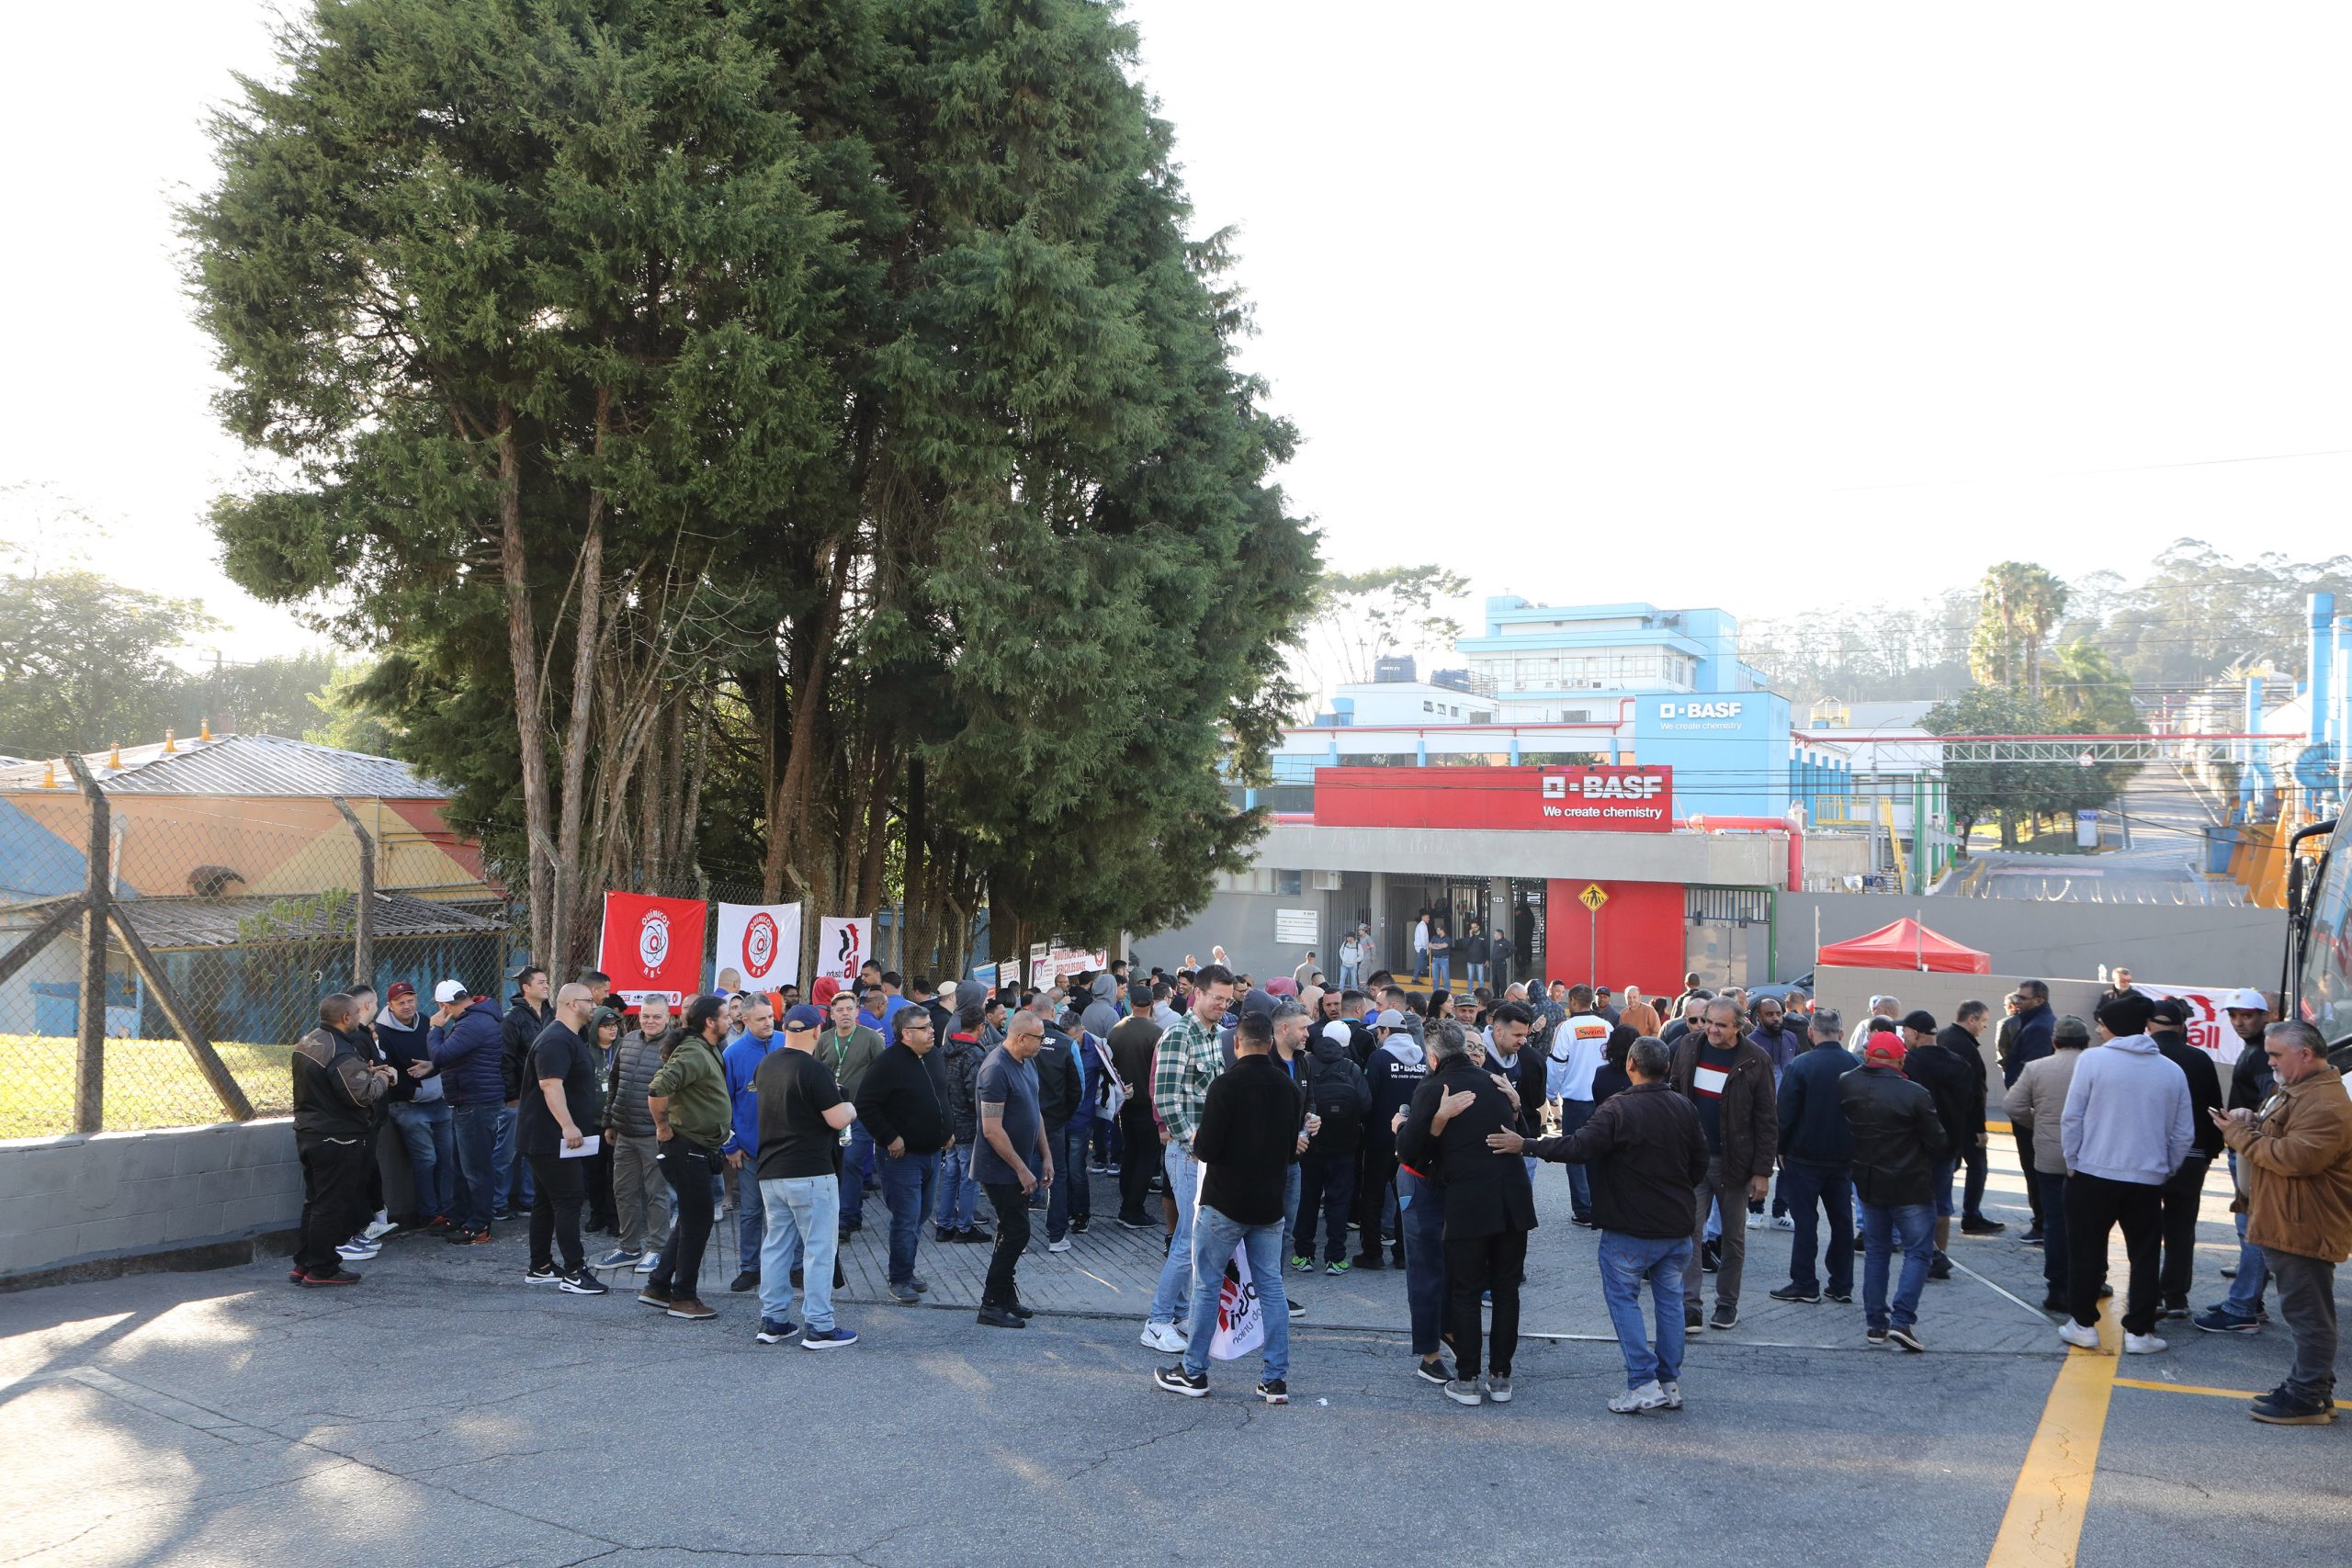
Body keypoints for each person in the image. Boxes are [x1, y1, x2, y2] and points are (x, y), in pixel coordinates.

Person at [1495, 1034, 1705, 1413]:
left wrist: (1526, 1144)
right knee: (1671, 1303)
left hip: (1630, 1228)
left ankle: (1643, 1381)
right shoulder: (1683, 1107)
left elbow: (1577, 1147)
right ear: (1667, 1068)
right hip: (1676, 1226)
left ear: (1630, 1066)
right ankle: (1669, 1382)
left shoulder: (1617, 1109)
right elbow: (1699, 1164)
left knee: (1625, 1301)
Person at [1153, 1010, 1301, 1403]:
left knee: (1207, 1285)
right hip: (1269, 1204)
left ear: (1236, 1045)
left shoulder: (1225, 1085)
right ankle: (1274, 1378)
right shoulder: (1288, 1088)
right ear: (1270, 1043)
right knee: (1272, 1287)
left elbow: (1206, 1149)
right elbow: (1290, 1151)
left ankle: (1194, 1371)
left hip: (1224, 1203)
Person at [2214, 1020, 2352, 1424]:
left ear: (2305, 1055)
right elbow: (2281, 1136)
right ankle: (2309, 1389)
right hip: (2289, 1216)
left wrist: (2239, 1134)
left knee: (2309, 1315)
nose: (2269, 1061)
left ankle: (2307, 1397)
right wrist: (2249, 1119)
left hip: (2302, 1222)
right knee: (2305, 1311)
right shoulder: (2299, 1090)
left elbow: (2294, 1158)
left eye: (2276, 1054)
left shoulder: (2325, 1102)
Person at [1396, 1021, 1536, 1406]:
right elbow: (1520, 1134)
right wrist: (1517, 1106)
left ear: (1433, 1056)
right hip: (1512, 1200)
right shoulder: (1495, 1081)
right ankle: (1501, 1377)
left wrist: (1420, 1124)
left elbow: (1409, 1153)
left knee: (1466, 1291)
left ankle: (1468, 1378)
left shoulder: (1433, 1086)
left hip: (1469, 1203)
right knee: (1507, 1291)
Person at [2057, 991, 2191, 1355]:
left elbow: (2073, 1118)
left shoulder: (2092, 1062)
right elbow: (2183, 1134)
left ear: (2113, 1027)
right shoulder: (2171, 1070)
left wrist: (2074, 1161)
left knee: (2086, 1252)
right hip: (2146, 1179)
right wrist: (2165, 1168)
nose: (2098, 1030)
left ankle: (2083, 1324)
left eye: (2101, 1024)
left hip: (2092, 1174)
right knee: (2145, 1256)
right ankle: (2139, 1332)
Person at [1141, 964, 1238, 1353]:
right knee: (1187, 1240)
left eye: (1228, 1000)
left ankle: (1179, 1311)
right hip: (1187, 1154)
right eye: (1217, 997)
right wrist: (1193, 1142)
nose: (1222, 1005)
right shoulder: (1178, 1034)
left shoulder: (1214, 1034)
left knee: (1191, 1238)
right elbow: (1164, 1098)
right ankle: (1157, 1320)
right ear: (1196, 993)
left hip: (1204, 1153)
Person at [751, 1004, 859, 1349]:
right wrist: (851, 1107)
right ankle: (820, 1325)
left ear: (785, 1030)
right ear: (818, 1031)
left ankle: (774, 1319)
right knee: (818, 1249)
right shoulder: (815, 1070)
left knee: (776, 1246)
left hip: (771, 1170)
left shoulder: (766, 1065)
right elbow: (837, 1118)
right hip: (811, 1171)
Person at [1671, 997, 1777, 1334]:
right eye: (1708, 1021)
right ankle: (1691, 1307)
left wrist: (1762, 1171)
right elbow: (1673, 1094)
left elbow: (1767, 1120)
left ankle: (1727, 1304)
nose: (1711, 1029)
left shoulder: (1755, 1059)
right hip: (1693, 1160)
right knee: (1689, 1233)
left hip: (1735, 1164)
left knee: (1733, 1238)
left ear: (1739, 1025)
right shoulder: (1689, 1045)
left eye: (1720, 1024)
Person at [1839, 1030, 1947, 1350]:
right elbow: (1937, 1141)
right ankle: (1901, 1321)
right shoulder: (1914, 1093)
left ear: (1867, 1055)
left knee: (1877, 1252)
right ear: (1901, 1058)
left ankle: (1876, 1323)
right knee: (1918, 1251)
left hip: (1870, 1181)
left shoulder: (1848, 1081)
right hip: (1910, 1183)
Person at [289, 994, 396, 1286]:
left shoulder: (310, 1041)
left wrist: (367, 1072)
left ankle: (304, 1262)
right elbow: (361, 1095)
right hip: (337, 1138)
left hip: (309, 1133)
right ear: (346, 1018)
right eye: (356, 1013)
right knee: (331, 1205)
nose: (361, 1018)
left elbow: (333, 1081)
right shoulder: (341, 1051)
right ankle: (323, 1269)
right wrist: (384, 1078)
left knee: (316, 1202)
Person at [641, 995, 734, 1321]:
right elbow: (657, 1089)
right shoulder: (694, 1051)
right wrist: (662, 1126)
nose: (730, 1021)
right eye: (725, 1016)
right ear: (710, 1022)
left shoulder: (707, 1048)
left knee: (691, 1219)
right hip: (685, 1149)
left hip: (698, 1149)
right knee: (698, 1221)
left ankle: (657, 1286)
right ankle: (683, 1298)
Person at [2199, 989, 2283, 1334]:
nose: (2239, 1022)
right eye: (2233, 1016)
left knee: (2252, 1232)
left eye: (2247, 1015)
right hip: (2247, 1147)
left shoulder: (2262, 1052)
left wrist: (2247, 1118)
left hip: (2250, 1150)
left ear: (2266, 1016)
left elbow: (2272, 1101)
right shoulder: (2258, 1048)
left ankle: (2242, 1307)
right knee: (2249, 1230)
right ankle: (2250, 1302)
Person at [514, 983, 608, 1294]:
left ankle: (540, 1266)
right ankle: (574, 1271)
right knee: (568, 1200)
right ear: (570, 1004)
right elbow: (550, 1085)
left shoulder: (569, 1037)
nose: (594, 1005)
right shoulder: (555, 1039)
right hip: (550, 1137)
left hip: (550, 1138)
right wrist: (568, 1126)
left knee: (546, 1200)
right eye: (588, 1000)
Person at [856, 1004, 953, 1305]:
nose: (932, 1030)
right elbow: (866, 1105)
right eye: (925, 1027)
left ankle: (907, 1272)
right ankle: (899, 1278)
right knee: (906, 1216)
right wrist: (889, 1137)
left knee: (921, 1214)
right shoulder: (888, 1063)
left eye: (930, 1026)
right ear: (906, 1034)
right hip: (902, 1157)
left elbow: (943, 1096)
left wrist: (948, 1130)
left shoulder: (935, 1056)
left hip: (933, 1152)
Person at [1770, 1007, 1858, 1306]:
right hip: (1843, 1158)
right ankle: (1842, 1283)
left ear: (1810, 1032)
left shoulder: (1801, 1065)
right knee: (1842, 1221)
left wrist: (1779, 1149)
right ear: (1841, 1034)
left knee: (1805, 1222)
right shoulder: (1855, 1065)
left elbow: (1785, 1114)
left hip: (1804, 1158)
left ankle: (1805, 1282)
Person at [2006, 1014, 2091, 1311]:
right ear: (2086, 1042)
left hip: (2050, 1157)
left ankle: (2057, 1289)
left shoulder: (2037, 1068)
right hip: (2089, 1158)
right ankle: (2090, 1282)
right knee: (2089, 1224)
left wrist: (2038, 1122)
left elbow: (2012, 1105)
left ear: (2054, 1042)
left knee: (2055, 1224)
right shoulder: (2095, 1066)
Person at [973, 1012, 1053, 1329]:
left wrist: (1045, 1155)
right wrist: (1021, 1168)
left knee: (1011, 1230)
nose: (1043, 1043)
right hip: (1000, 1167)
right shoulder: (995, 1069)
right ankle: (991, 1303)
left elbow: (1035, 1113)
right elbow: (992, 1130)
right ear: (1021, 1038)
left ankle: (1005, 1296)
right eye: (1039, 1038)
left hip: (1021, 1164)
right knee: (1016, 1231)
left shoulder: (1028, 1062)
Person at [2147, 997, 2223, 1318]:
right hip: (2191, 1157)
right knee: (2181, 1228)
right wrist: (2209, 1152)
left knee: (2145, 1228)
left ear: (2148, 1026)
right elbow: (2214, 1109)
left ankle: (2146, 1296)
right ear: (2182, 1027)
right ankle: (2176, 1297)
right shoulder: (2199, 1059)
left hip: (2146, 1159)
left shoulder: (2142, 1058)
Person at [426, 978, 508, 1245]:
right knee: (462, 1166)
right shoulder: (474, 1019)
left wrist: (435, 1029)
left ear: (444, 1006)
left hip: (476, 1103)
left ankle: (479, 1224)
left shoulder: (472, 1023)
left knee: (475, 1168)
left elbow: (441, 1055)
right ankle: (461, 1215)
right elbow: (457, 1058)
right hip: (469, 1101)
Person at [601, 996, 673, 1272]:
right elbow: (615, 1081)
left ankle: (657, 1249)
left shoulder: (674, 1046)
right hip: (624, 1131)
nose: (650, 1021)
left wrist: (667, 1128)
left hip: (654, 1134)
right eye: (645, 1015)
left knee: (656, 1193)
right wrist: (610, 1121)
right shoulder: (628, 1040)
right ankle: (628, 1247)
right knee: (624, 1191)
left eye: (656, 1016)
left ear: (668, 1017)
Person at [1293, 1016, 1371, 1274]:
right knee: (1339, 1203)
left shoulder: (1305, 1063)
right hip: (1345, 1148)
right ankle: (1335, 1258)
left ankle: (1303, 1254)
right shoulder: (1351, 1068)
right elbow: (1365, 1104)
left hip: (1311, 1146)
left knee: (1308, 1200)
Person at [1898, 1009, 1970, 1282]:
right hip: (1948, 1146)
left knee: (1914, 1203)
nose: (1903, 1037)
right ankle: (1937, 1254)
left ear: (1915, 1034)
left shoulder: (1910, 1063)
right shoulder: (1960, 1064)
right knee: (1942, 1205)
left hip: (1916, 1146)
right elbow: (1971, 1106)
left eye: (1905, 1032)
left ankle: (1924, 1256)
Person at [375, 981, 452, 1233]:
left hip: (439, 1101)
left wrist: (433, 1067)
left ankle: (448, 1210)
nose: (407, 1006)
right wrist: (415, 1092)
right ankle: (429, 1214)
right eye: (401, 1003)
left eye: (410, 1001)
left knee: (447, 1157)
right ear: (390, 1006)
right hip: (407, 1105)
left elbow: (444, 1055)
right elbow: (385, 1074)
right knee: (426, 1159)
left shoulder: (428, 1022)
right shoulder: (382, 1033)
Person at [719, 995, 781, 1292]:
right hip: (751, 1152)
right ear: (744, 1020)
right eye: (761, 1018)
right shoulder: (733, 1054)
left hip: (788, 1150)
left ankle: (792, 1267)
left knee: (789, 1214)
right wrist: (731, 1145)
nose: (769, 1022)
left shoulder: (787, 1043)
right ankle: (750, 1268)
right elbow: (723, 1104)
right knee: (752, 1212)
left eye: (770, 1016)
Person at [1354, 1010, 1425, 1269]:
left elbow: (1366, 1097)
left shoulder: (1379, 1058)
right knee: (1407, 1198)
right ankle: (1403, 1253)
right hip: (1412, 1139)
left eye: (1379, 1032)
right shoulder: (1424, 1059)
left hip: (1379, 1139)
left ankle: (1372, 1253)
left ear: (1385, 1031)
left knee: (1372, 1195)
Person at [818, 989, 886, 1237]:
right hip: (830, 1113)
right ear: (832, 1014)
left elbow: (883, 1073)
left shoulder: (870, 1038)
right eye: (840, 1010)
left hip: (859, 1115)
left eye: (849, 1009)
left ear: (857, 1012)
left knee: (851, 1162)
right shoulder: (824, 1039)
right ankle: (845, 1214)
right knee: (834, 1164)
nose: (845, 1013)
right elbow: (817, 1071)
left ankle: (846, 1219)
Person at [1547, 987, 1614, 1228]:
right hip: (1603, 1100)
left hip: (1576, 1102)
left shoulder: (1566, 1028)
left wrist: (1550, 1093)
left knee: (1575, 1154)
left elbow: (1557, 1063)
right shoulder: (1606, 1026)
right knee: (1599, 1153)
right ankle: (1600, 1206)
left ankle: (1583, 1210)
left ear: (1573, 1001)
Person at [1942, 1000, 2005, 1236]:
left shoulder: (1945, 1036)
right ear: (1971, 1019)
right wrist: (1980, 1128)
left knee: (1949, 1167)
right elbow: (1975, 1091)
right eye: (1984, 1022)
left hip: (1949, 1117)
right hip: (1966, 1121)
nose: (1984, 1028)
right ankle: (1971, 1215)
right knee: (1977, 1166)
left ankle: (1946, 1211)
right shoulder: (1966, 1048)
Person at [1028, 993, 1085, 1250]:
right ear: (1053, 1013)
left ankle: (1016, 1238)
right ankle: (1056, 1236)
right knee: (1057, 1175)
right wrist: (1065, 1114)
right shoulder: (1065, 1043)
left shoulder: (1019, 1039)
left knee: (1021, 1175)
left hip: (1024, 1119)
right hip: (1054, 1121)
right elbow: (1079, 1087)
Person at [2002, 980, 2058, 1242]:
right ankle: (2044, 1221)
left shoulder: (2038, 1027)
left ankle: (2043, 1224)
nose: (2018, 1002)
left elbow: (2031, 1073)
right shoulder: (2035, 1023)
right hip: (2033, 1109)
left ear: (2039, 1000)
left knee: (2035, 1168)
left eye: (2023, 998)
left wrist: (2024, 1106)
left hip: (2031, 1112)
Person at [499, 965, 553, 1221]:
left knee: (537, 1149)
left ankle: (530, 1201)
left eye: (546, 982)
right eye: (541, 982)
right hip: (520, 1095)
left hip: (547, 1094)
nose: (546, 985)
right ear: (526, 988)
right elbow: (505, 1059)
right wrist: (511, 1094)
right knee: (508, 1150)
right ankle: (498, 1203)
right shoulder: (513, 1018)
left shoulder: (551, 1014)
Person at [934, 1003, 992, 1244]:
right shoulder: (975, 1055)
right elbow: (975, 1093)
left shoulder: (944, 1051)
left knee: (951, 1174)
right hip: (969, 1124)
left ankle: (944, 1224)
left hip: (948, 1123)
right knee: (969, 1177)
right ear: (980, 1027)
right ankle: (965, 1227)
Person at [1107, 997, 1162, 1229]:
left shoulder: (1116, 1030)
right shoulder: (1156, 1032)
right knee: (1147, 1157)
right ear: (1150, 1005)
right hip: (1147, 1104)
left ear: (1133, 1004)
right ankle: (1133, 1209)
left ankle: (1127, 1206)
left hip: (1124, 1103)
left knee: (1131, 1153)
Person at [1427, 919, 1452, 993]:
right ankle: (1435, 993)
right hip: (1435, 959)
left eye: (1438, 930)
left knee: (1445, 977)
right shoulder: (1435, 937)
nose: (1436, 931)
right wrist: (1438, 946)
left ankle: (1447, 993)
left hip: (1444, 959)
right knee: (1435, 978)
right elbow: (1429, 944)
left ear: (1442, 930)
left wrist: (1436, 945)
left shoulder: (1447, 938)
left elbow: (1445, 945)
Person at [1411, 911, 1430, 983]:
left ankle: (1422, 971)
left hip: (1423, 947)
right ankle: (1415, 978)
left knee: (1424, 961)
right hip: (1422, 947)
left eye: (1429, 918)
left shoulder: (1422, 925)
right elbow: (1423, 939)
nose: (1428, 919)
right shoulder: (1422, 926)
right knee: (1419, 962)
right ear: (1423, 918)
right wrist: (1425, 947)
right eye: (1427, 918)